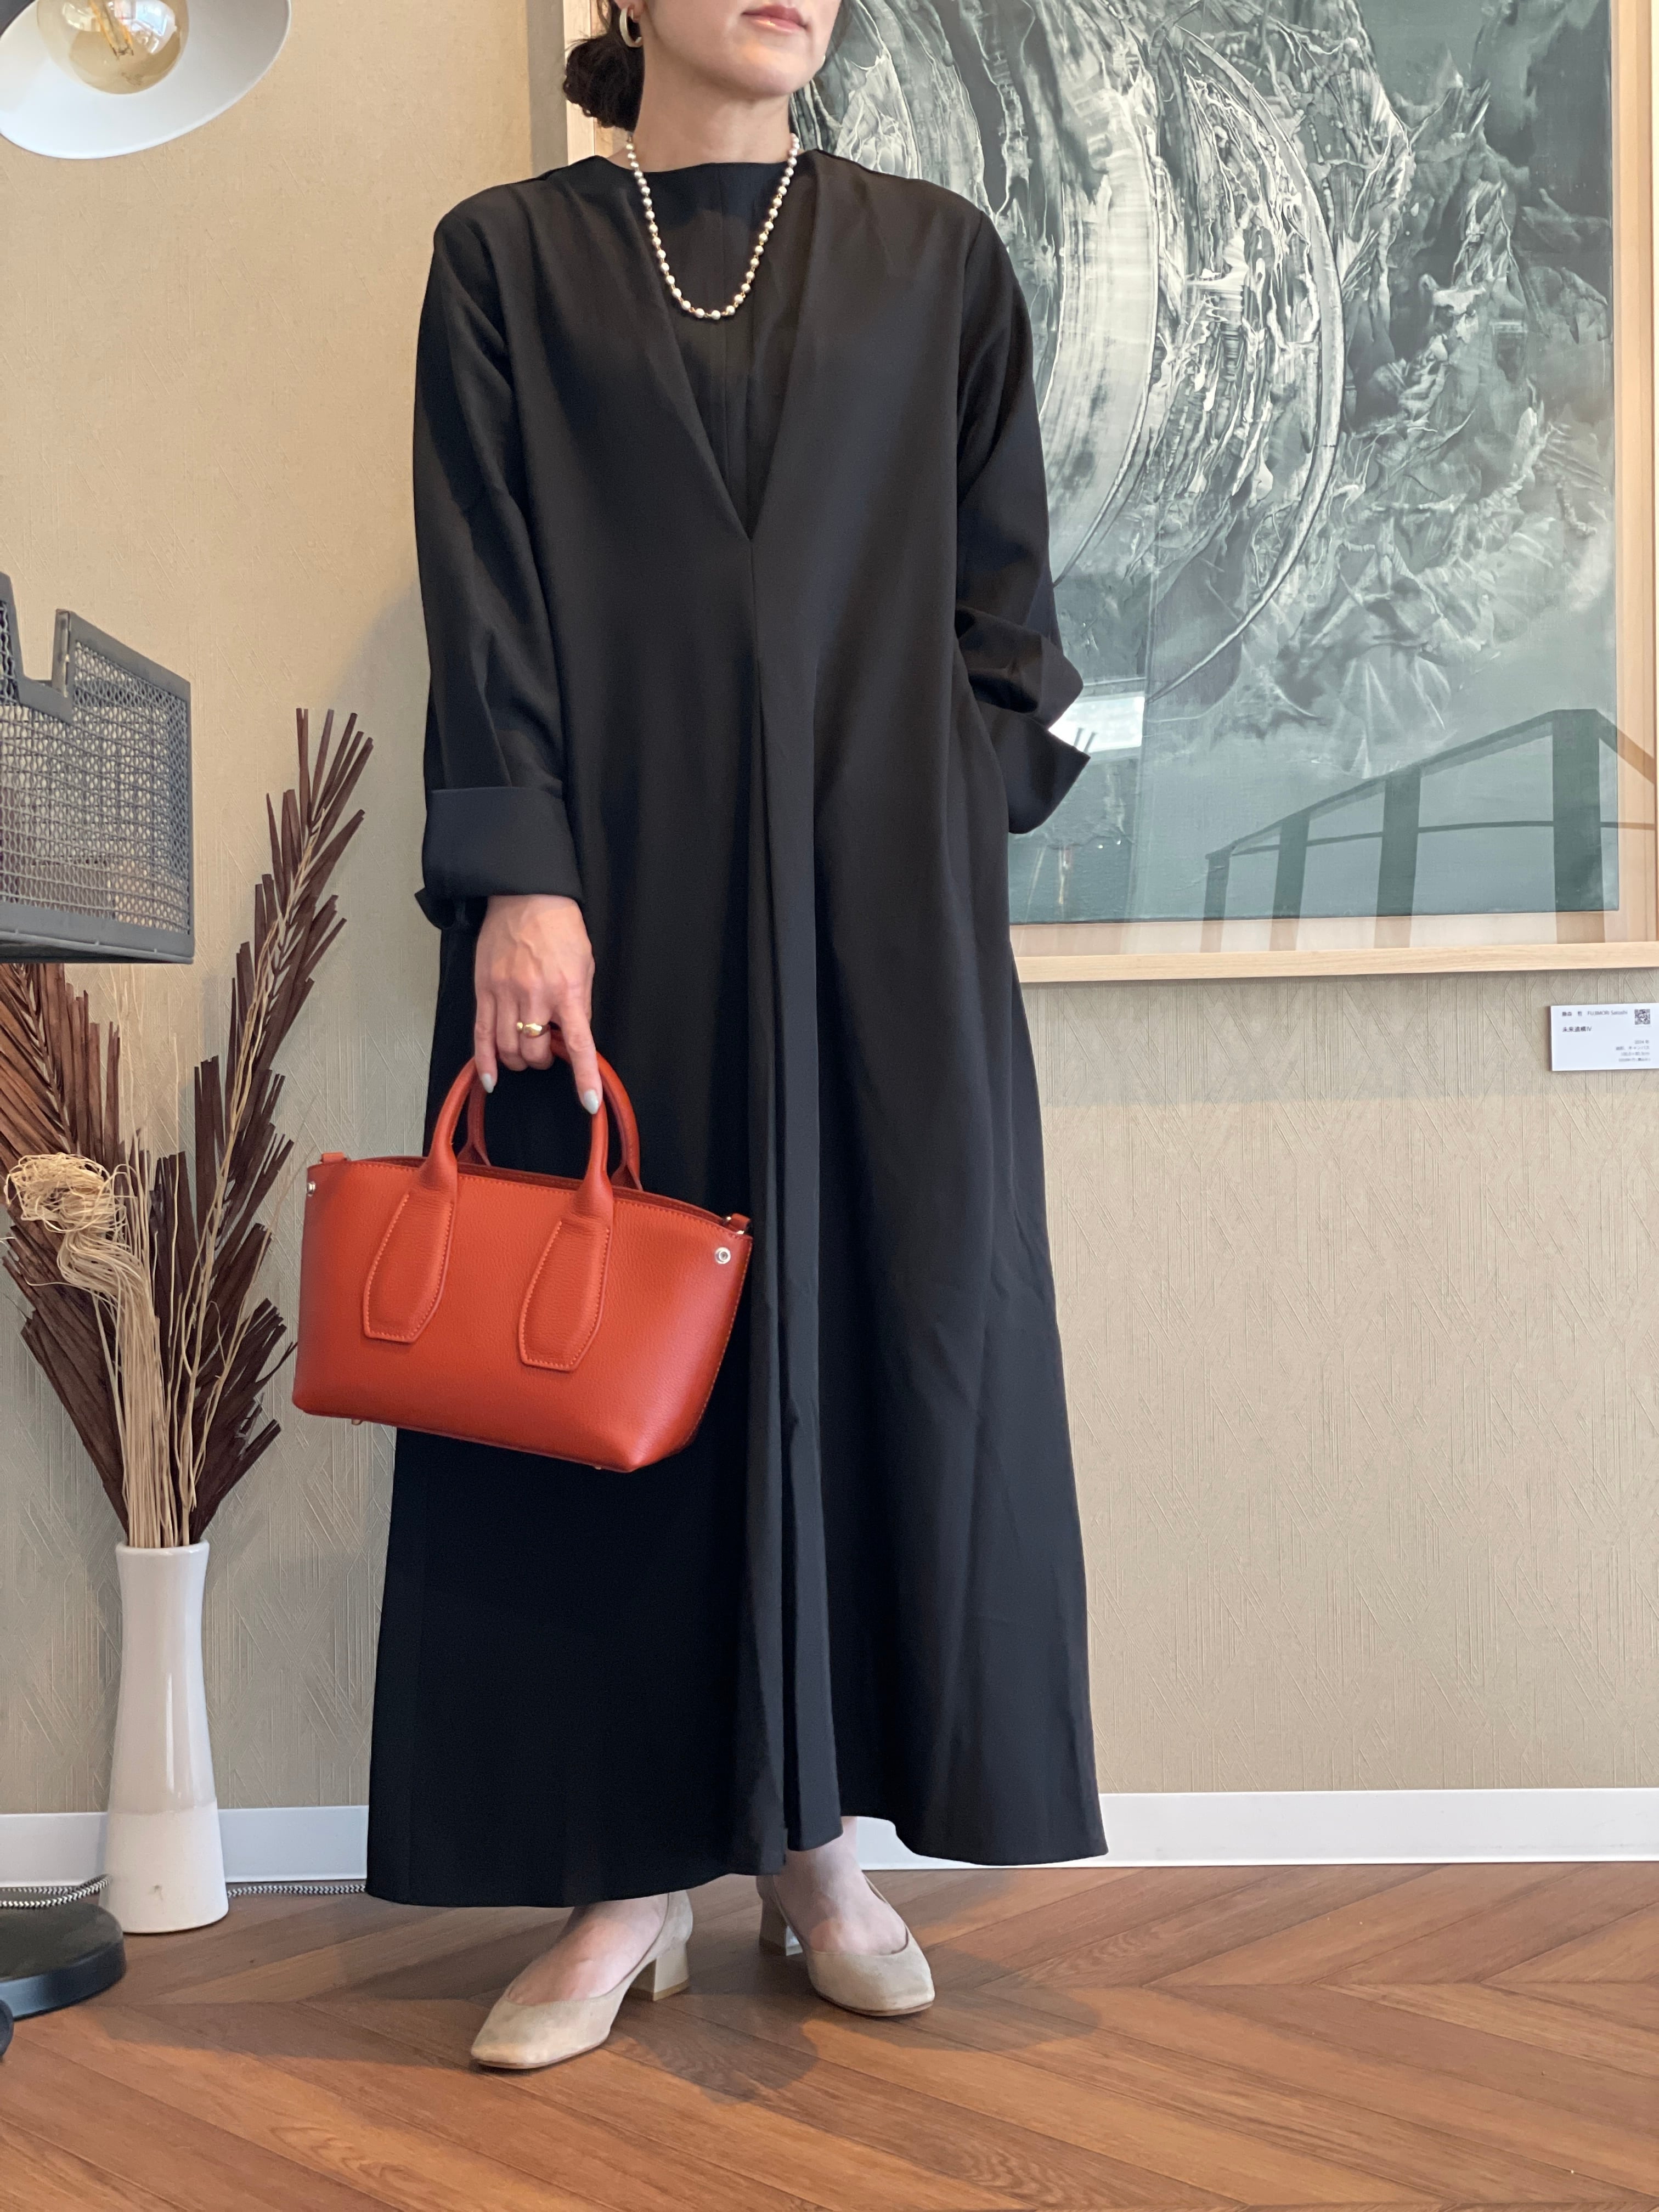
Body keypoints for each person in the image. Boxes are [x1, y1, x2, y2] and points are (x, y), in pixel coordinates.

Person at [364, 0, 1108, 2070]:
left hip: (886, 912)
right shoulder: (508, 259)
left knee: (882, 1333)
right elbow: (482, 585)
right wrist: (521, 874)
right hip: (613, 902)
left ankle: (812, 1852)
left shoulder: (936, 255)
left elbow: (1008, 604)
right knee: (602, 1355)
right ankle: (626, 1880)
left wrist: (937, 806)